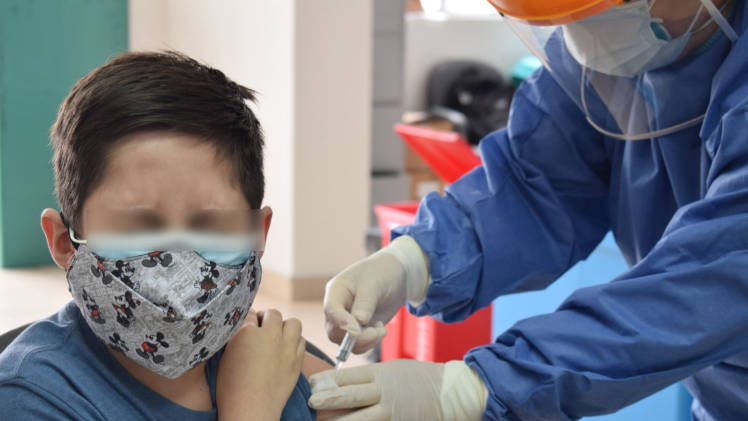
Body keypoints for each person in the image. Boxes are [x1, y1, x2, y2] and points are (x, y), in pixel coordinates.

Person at [309, 0, 748, 420]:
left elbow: (717, 281)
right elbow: (536, 180)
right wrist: (416, 258)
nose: (585, 33)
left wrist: (481, 386)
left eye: (601, 10)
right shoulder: (611, 60)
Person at [0, 51, 331, 420]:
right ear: (65, 241)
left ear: (257, 235)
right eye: (138, 225)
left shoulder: (270, 355)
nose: (176, 261)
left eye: (210, 225)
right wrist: (252, 408)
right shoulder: (30, 399)